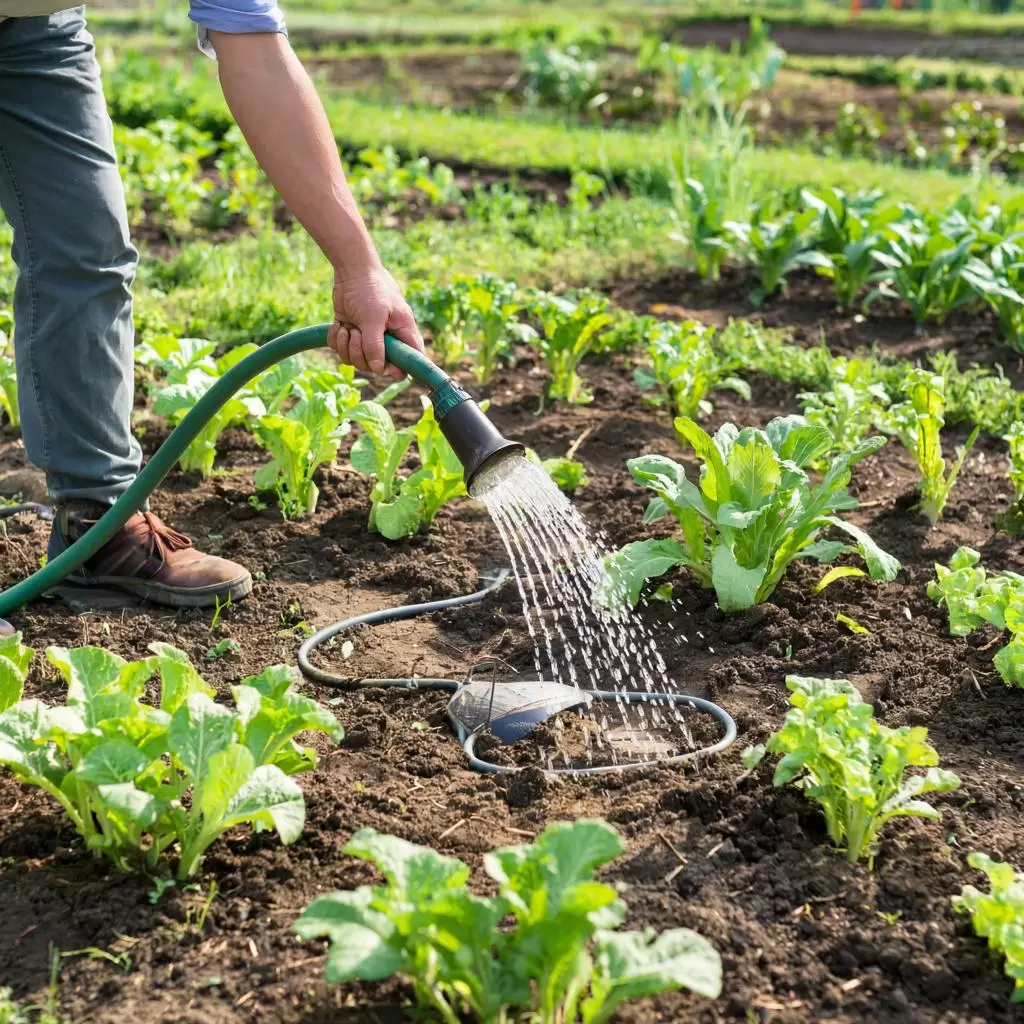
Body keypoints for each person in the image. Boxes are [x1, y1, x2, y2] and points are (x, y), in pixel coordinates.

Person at [0, 1, 425, 634]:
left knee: (88, 251)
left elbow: (255, 53)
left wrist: (359, 267)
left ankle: (100, 526)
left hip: (36, 26)